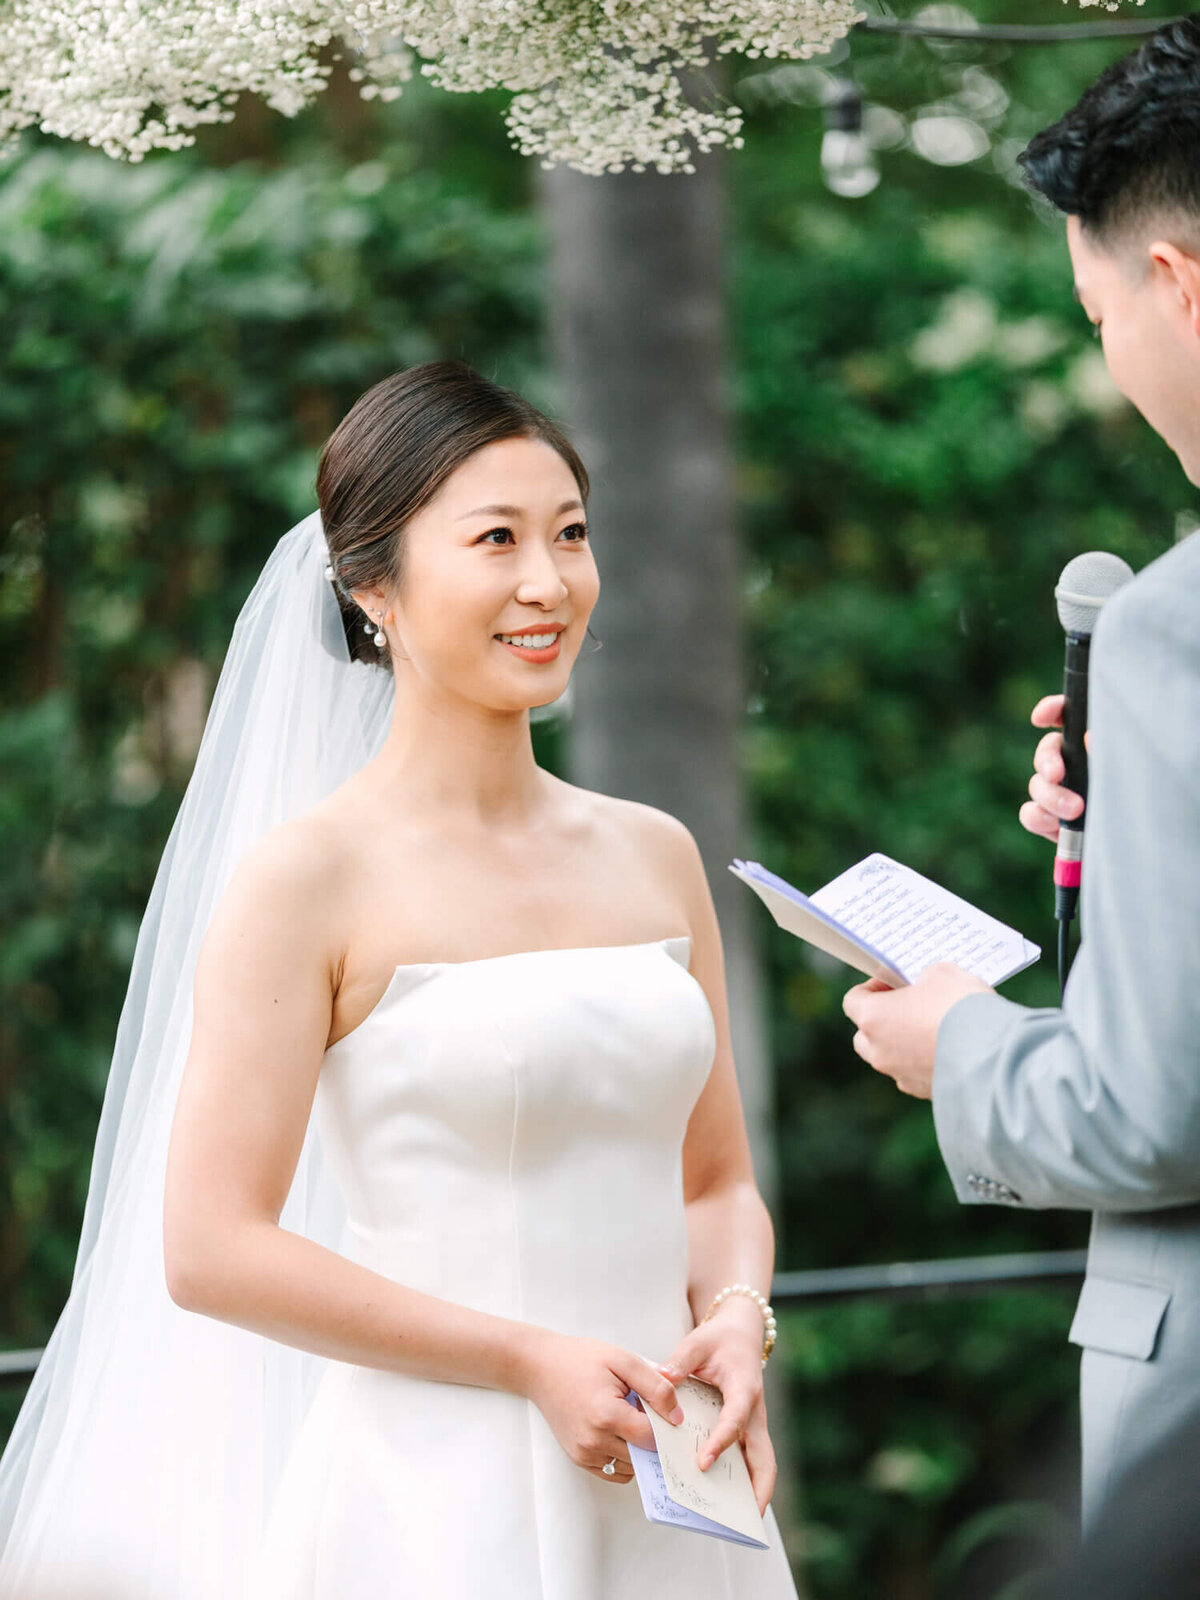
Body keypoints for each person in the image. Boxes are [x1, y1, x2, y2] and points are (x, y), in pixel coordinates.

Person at [0, 361, 798, 1598]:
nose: (549, 582)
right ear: (373, 585)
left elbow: (717, 1179)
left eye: (571, 535)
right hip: (433, 1496)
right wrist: (526, 1357)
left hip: (672, 1481)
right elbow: (211, 1245)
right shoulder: (304, 879)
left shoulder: (653, 850)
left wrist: (741, 1316)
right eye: (496, 540)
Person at [841, 14, 1200, 1529]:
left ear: (1177, 287)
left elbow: (1148, 1109)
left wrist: (960, 1046)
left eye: (1094, 311)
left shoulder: (1177, 627)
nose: (1105, 354)